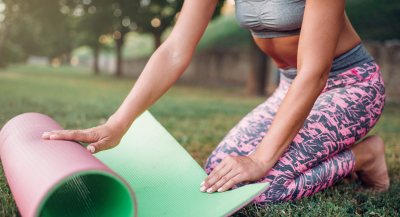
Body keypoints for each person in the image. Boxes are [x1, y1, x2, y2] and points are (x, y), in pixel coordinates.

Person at [43, 0, 389, 204]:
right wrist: (117, 123)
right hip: (289, 88)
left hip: (349, 86)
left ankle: (366, 155)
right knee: (219, 175)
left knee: (261, 191)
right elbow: (175, 50)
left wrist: (260, 158)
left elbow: (315, 72)